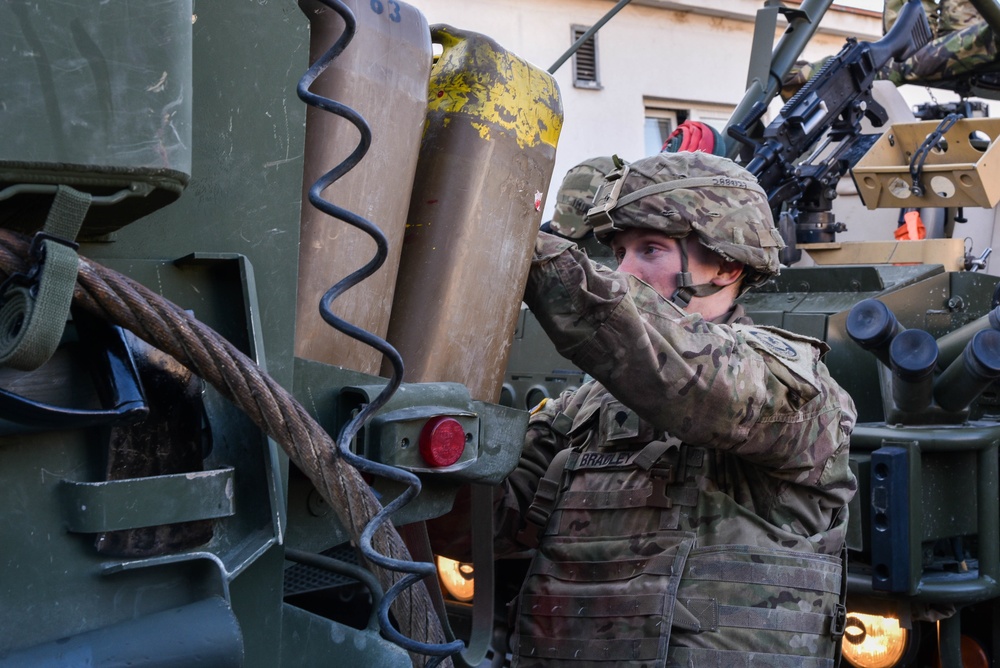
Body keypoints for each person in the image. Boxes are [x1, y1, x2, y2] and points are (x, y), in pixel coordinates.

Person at [496, 151, 858, 666]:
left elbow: (693, 377)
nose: (623, 271)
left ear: (727, 263)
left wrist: (527, 246)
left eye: (650, 249)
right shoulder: (583, 409)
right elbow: (486, 527)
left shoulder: (794, 386)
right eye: (618, 251)